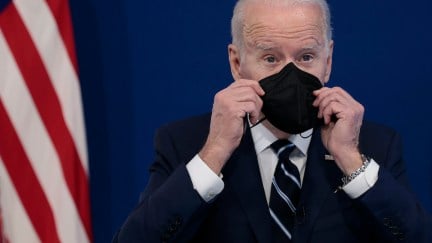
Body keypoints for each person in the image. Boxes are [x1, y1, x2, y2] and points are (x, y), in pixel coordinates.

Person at [113, 0, 432, 242]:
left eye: (306, 57)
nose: (289, 75)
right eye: (270, 58)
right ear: (237, 63)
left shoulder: (374, 144)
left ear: (328, 61)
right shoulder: (184, 142)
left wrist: (350, 160)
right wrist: (214, 153)